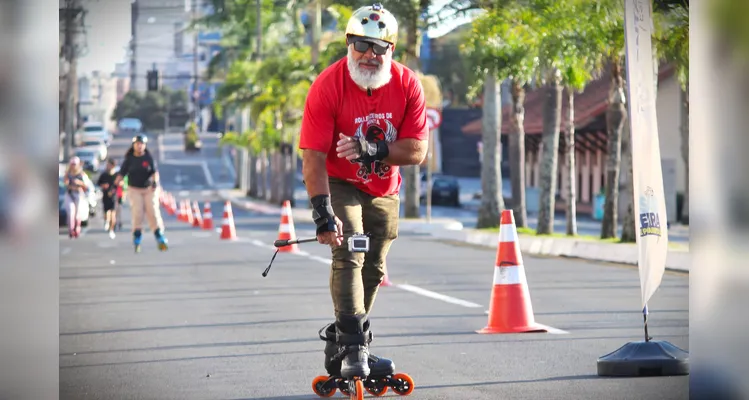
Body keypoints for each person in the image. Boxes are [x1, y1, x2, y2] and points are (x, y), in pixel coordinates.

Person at [298, 3, 428, 380]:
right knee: (350, 246)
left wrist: (373, 149)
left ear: (391, 50)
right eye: (362, 45)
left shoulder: (406, 84)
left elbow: (417, 151)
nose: (370, 55)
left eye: (379, 48)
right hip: (340, 182)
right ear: (348, 43)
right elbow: (313, 156)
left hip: (384, 186)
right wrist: (323, 213)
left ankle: (342, 338)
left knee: (374, 265)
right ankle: (355, 346)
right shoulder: (328, 85)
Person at [115, 135, 168, 251]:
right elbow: (121, 174)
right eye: (137, 144)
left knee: (152, 211)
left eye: (141, 144)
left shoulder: (148, 158)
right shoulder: (129, 159)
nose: (139, 146)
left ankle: (159, 235)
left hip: (149, 189)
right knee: (137, 212)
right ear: (133, 145)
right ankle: (137, 236)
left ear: (144, 146)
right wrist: (114, 185)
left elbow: (154, 172)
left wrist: (155, 182)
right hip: (134, 189)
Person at [63, 157, 89, 238]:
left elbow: (86, 186)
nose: (73, 166)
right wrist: (67, 183)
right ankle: (71, 230)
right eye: (72, 164)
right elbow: (65, 183)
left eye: (74, 164)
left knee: (77, 214)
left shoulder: (82, 174)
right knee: (71, 212)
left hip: (78, 194)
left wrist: (79, 183)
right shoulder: (68, 173)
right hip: (70, 194)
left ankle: (77, 229)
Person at [97, 158, 119, 239]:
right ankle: (106, 221)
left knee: (113, 215)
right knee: (106, 213)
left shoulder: (116, 175)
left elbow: (121, 183)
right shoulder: (104, 175)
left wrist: (117, 186)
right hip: (105, 196)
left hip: (113, 197)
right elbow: (99, 183)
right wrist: (104, 186)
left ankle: (112, 229)